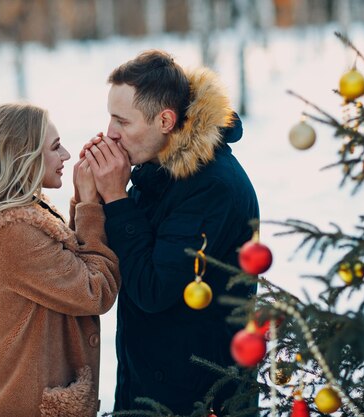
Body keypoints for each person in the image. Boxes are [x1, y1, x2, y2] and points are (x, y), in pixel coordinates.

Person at [82, 50, 260, 415]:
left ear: (165, 120)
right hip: (148, 384)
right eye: (109, 118)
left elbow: (152, 289)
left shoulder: (211, 187)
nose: (110, 133)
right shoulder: (156, 170)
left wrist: (117, 197)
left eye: (122, 121)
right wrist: (90, 197)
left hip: (200, 397)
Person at [0, 103, 120, 417]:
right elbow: (94, 291)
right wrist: (89, 206)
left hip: (16, 394)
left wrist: (81, 199)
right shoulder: (13, 232)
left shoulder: (22, 213)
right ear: (23, 157)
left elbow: (67, 265)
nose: (65, 155)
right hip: (24, 404)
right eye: (54, 147)